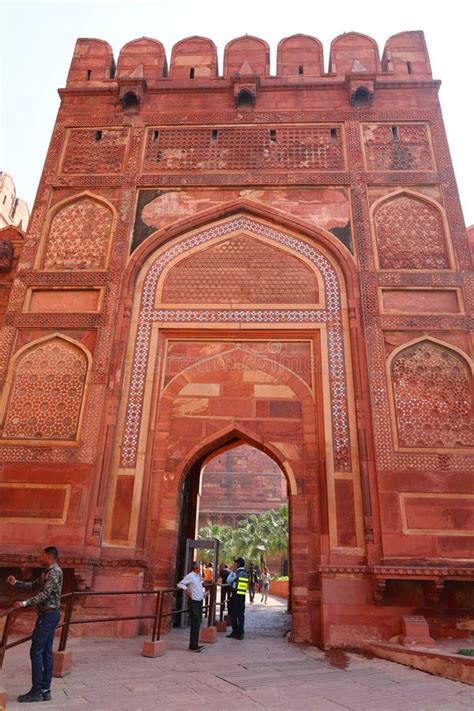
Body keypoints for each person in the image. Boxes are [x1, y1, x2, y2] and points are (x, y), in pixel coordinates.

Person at [7, 546, 63, 704]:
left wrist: (24, 603)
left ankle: (37, 690)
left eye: (42, 556)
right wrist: (16, 582)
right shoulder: (47, 572)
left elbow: (44, 594)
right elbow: (33, 585)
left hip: (48, 616)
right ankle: (45, 690)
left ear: (49, 556)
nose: (39, 558)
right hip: (48, 615)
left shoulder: (55, 572)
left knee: (36, 651)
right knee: (45, 652)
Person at [177, 560, 205, 652]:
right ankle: (193, 645)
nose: (200, 568)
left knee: (197, 622)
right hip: (194, 602)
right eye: (199, 567)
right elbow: (180, 584)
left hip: (199, 601)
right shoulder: (190, 576)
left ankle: (194, 644)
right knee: (195, 622)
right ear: (196, 568)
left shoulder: (198, 576)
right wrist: (187, 589)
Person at [226, 557, 248, 640]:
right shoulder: (245, 572)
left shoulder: (237, 572)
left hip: (235, 595)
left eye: (236, 563)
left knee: (234, 614)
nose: (234, 564)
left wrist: (232, 571)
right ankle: (241, 632)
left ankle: (235, 632)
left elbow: (228, 580)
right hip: (242, 595)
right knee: (241, 614)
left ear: (238, 564)